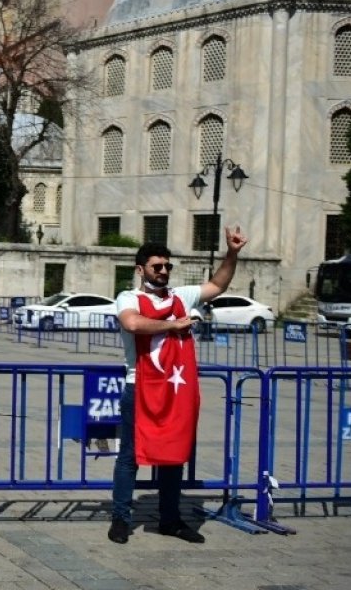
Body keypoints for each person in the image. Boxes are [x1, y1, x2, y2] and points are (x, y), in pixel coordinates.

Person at [108, 226, 248, 545]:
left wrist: (232, 253)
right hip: (139, 387)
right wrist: (173, 325)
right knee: (129, 456)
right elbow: (131, 323)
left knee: (173, 456)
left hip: (176, 390)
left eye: (168, 266)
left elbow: (217, 284)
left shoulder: (181, 296)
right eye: (157, 266)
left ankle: (170, 519)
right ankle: (120, 518)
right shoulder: (130, 297)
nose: (164, 272)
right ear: (140, 269)